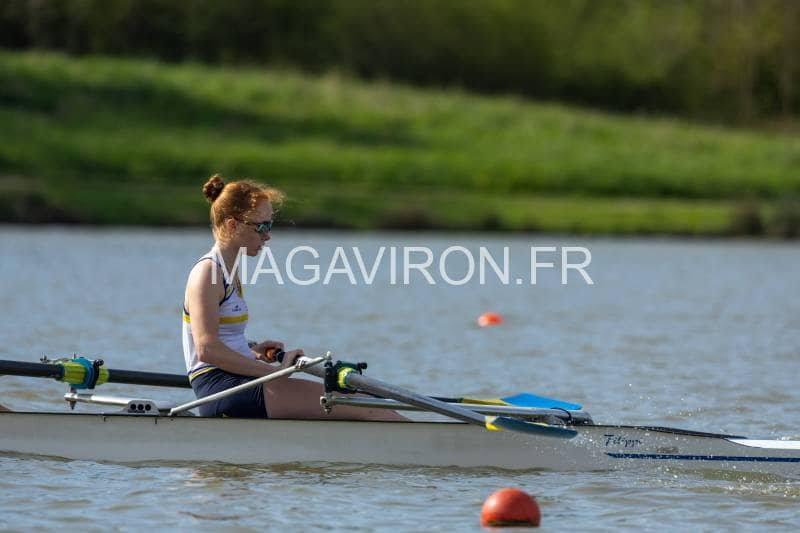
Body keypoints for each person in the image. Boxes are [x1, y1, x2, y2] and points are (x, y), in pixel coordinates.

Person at [182, 174, 403, 420]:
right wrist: (275, 373)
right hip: (222, 389)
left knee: (367, 401)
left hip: (237, 382)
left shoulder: (227, 272)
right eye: (261, 227)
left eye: (270, 226)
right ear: (233, 225)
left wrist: (252, 350)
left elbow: (222, 338)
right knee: (367, 407)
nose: (267, 236)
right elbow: (207, 349)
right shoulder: (208, 273)